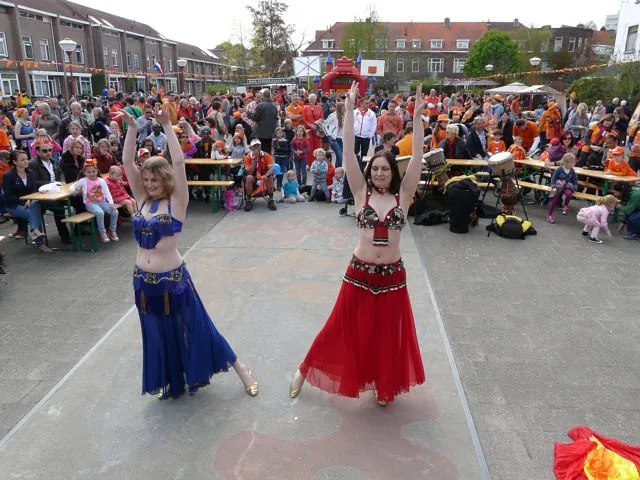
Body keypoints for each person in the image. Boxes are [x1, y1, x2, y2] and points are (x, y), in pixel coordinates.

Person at [289, 82, 426, 405]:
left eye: (384, 169)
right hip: (359, 273)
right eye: (374, 169)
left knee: (386, 333)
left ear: (393, 172)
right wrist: (349, 111)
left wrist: (417, 119)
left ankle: (382, 382)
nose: (379, 173)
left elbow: (418, 156)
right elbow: (348, 151)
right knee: (340, 325)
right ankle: (304, 370)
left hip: (392, 277)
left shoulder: (403, 195)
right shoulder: (360, 192)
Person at [115, 106, 259, 400]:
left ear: (165, 180)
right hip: (143, 282)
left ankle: (241, 368)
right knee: (157, 332)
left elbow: (179, 162)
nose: (149, 184)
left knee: (198, 326)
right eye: (146, 179)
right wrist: (132, 128)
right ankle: (170, 379)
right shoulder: (141, 199)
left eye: (155, 180)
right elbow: (127, 161)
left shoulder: (177, 201)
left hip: (174, 280)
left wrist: (168, 126)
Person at [2, 150, 52, 252]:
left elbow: (33, 189)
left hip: (30, 202)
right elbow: (8, 197)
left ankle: (36, 233)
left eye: (26, 159)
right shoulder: (8, 175)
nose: (26, 161)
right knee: (34, 212)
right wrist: (25, 200)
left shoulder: (30, 173)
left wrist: (30, 199)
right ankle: (39, 241)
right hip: (14, 205)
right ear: (15, 162)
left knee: (35, 206)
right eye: (22, 160)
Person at [28, 143, 72, 244]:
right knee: (59, 208)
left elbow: (60, 173)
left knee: (78, 199)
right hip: (43, 195)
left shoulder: (52, 161)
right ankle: (65, 236)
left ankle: (80, 229)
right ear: (37, 152)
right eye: (44, 151)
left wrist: (62, 181)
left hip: (58, 191)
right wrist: (52, 184)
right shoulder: (33, 164)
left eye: (50, 150)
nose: (48, 153)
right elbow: (34, 182)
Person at [70, 159, 119, 243]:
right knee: (100, 213)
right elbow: (74, 186)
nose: (91, 173)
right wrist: (73, 190)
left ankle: (112, 230)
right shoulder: (83, 180)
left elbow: (107, 192)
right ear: (84, 172)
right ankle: (102, 232)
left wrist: (111, 203)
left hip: (102, 202)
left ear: (97, 171)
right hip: (90, 203)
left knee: (115, 212)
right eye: (89, 172)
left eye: (93, 171)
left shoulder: (101, 180)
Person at [243, 138, 276, 211]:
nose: (257, 147)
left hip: (264, 175)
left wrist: (266, 175)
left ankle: (271, 200)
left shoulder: (266, 155)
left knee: (270, 176)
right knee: (248, 178)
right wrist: (254, 161)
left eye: (258, 145)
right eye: (255, 146)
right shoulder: (247, 157)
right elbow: (249, 172)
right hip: (253, 176)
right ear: (251, 148)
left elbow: (271, 169)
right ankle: (248, 200)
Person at [547, 153, 578, 223]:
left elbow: (574, 180)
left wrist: (575, 186)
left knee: (569, 194)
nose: (574, 164)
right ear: (566, 162)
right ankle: (549, 215)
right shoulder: (559, 169)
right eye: (572, 163)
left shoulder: (572, 170)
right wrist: (554, 187)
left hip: (566, 186)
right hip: (558, 187)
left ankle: (565, 205)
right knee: (554, 200)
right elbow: (553, 179)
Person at [303, 93, 324, 166]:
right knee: (309, 148)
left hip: (317, 130)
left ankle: (318, 163)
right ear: (308, 100)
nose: (311, 100)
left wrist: (316, 124)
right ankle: (310, 164)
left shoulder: (319, 108)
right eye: (310, 99)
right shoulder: (305, 108)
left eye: (313, 99)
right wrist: (310, 125)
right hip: (308, 130)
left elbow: (322, 118)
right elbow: (304, 119)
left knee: (318, 147)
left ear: (315, 100)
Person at [353, 96, 377, 161]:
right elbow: (351, 122)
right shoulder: (354, 112)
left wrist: (370, 135)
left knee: (364, 153)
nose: (368, 104)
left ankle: (363, 166)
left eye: (368, 103)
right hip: (356, 136)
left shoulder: (372, 113)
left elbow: (374, 125)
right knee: (355, 153)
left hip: (366, 137)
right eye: (366, 103)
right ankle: (356, 165)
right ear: (361, 103)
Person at [324, 101, 345, 167]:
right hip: (334, 139)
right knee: (340, 156)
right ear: (339, 108)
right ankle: (338, 170)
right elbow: (324, 125)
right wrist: (328, 135)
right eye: (343, 108)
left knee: (339, 157)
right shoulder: (333, 115)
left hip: (342, 139)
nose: (344, 109)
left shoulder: (345, 115)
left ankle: (337, 171)